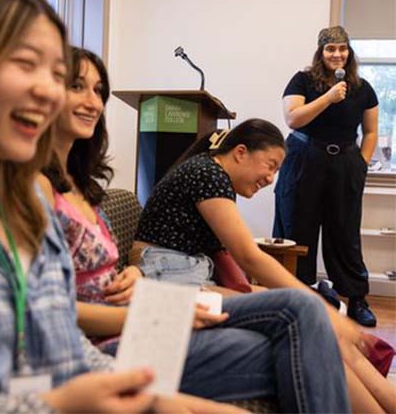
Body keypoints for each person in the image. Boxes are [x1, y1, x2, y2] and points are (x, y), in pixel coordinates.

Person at [0, 0, 266, 414]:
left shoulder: (24, 207)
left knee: (284, 320)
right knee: (286, 317)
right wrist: (63, 404)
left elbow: (65, 346)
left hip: (101, 355)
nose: (49, 92)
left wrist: (153, 399)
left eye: (55, 75)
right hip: (92, 363)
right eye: (27, 64)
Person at [43, 47, 378, 412]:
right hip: (137, 314)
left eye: (98, 91)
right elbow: (47, 308)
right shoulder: (207, 174)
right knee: (306, 318)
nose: (93, 102)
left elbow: (118, 263)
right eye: (79, 87)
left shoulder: (81, 187)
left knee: (305, 320)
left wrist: (135, 271)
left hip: (144, 302)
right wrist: (161, 304)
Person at [134, 118, 394, 411]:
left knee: (323, 328)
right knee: (314, 321)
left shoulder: (211, 174)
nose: (271, 178)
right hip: (170, 280)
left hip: (188, 276)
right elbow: (249, 256)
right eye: (270, 165)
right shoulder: (208, 173)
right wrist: (321, 307)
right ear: (241, 152)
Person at [274, 25, 380, 327]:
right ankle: (298, 295)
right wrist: (328, 98)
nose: (337, 54)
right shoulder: (302, 80)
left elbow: (371, 131)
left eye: (342, 48)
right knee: (297, 229)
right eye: (330, 49)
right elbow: (293, 119)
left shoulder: (363, 88)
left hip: (346, 162)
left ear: (350, 52)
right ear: (321, 53)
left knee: (345, 234)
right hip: (304, 160)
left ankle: (356, 298)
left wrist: (361, 163)